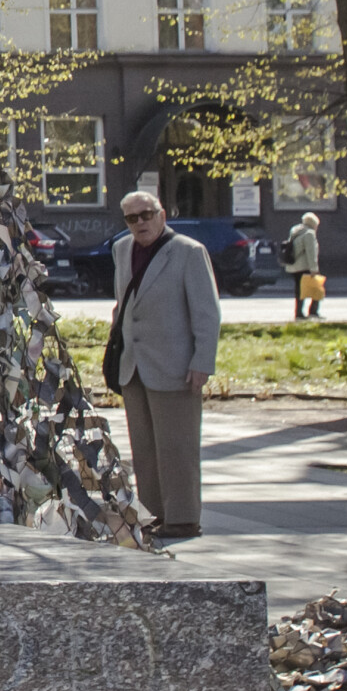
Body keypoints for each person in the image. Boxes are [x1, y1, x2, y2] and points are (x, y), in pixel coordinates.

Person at [110, 189, 220, 540]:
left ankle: (183, 518)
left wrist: (202, 361)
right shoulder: (121, 249)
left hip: (177, 366)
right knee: (144, 448)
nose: (140, 223)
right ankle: (154, 514)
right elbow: (122, 305)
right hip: (133, 366)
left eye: (147, 214)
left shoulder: (188, 252)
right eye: (132, 218)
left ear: (162, 215)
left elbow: (207, 313)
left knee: (178, 446)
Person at [288, 212, 323, 320]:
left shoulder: (295, 231)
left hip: (294, 267)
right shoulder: (309, 234)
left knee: (299, 290)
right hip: (305, 267)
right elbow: (311, 253)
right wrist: (314, 269)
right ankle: (313, 311)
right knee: (316, 288)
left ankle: (298, 313)